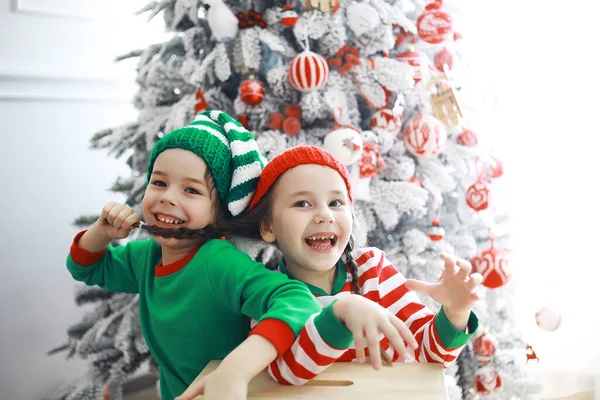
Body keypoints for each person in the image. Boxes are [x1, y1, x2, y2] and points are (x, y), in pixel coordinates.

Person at [65, 111, 327, 400]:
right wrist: (101, 232)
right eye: (159, 183)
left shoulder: (218, 262)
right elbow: (86, 268)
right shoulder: (147, 257)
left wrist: (235, 370)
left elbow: (296, 301)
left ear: (219, 211)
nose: (167, 197)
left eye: (191, 189)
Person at [221, 145, 481, 385]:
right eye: (302, 203)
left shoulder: (373, 269)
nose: (325, 214)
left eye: (336, 203)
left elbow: (427, 353)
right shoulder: (268, 293)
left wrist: (456, 314)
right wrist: (340, 313)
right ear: (268, 226)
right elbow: (286, 371)